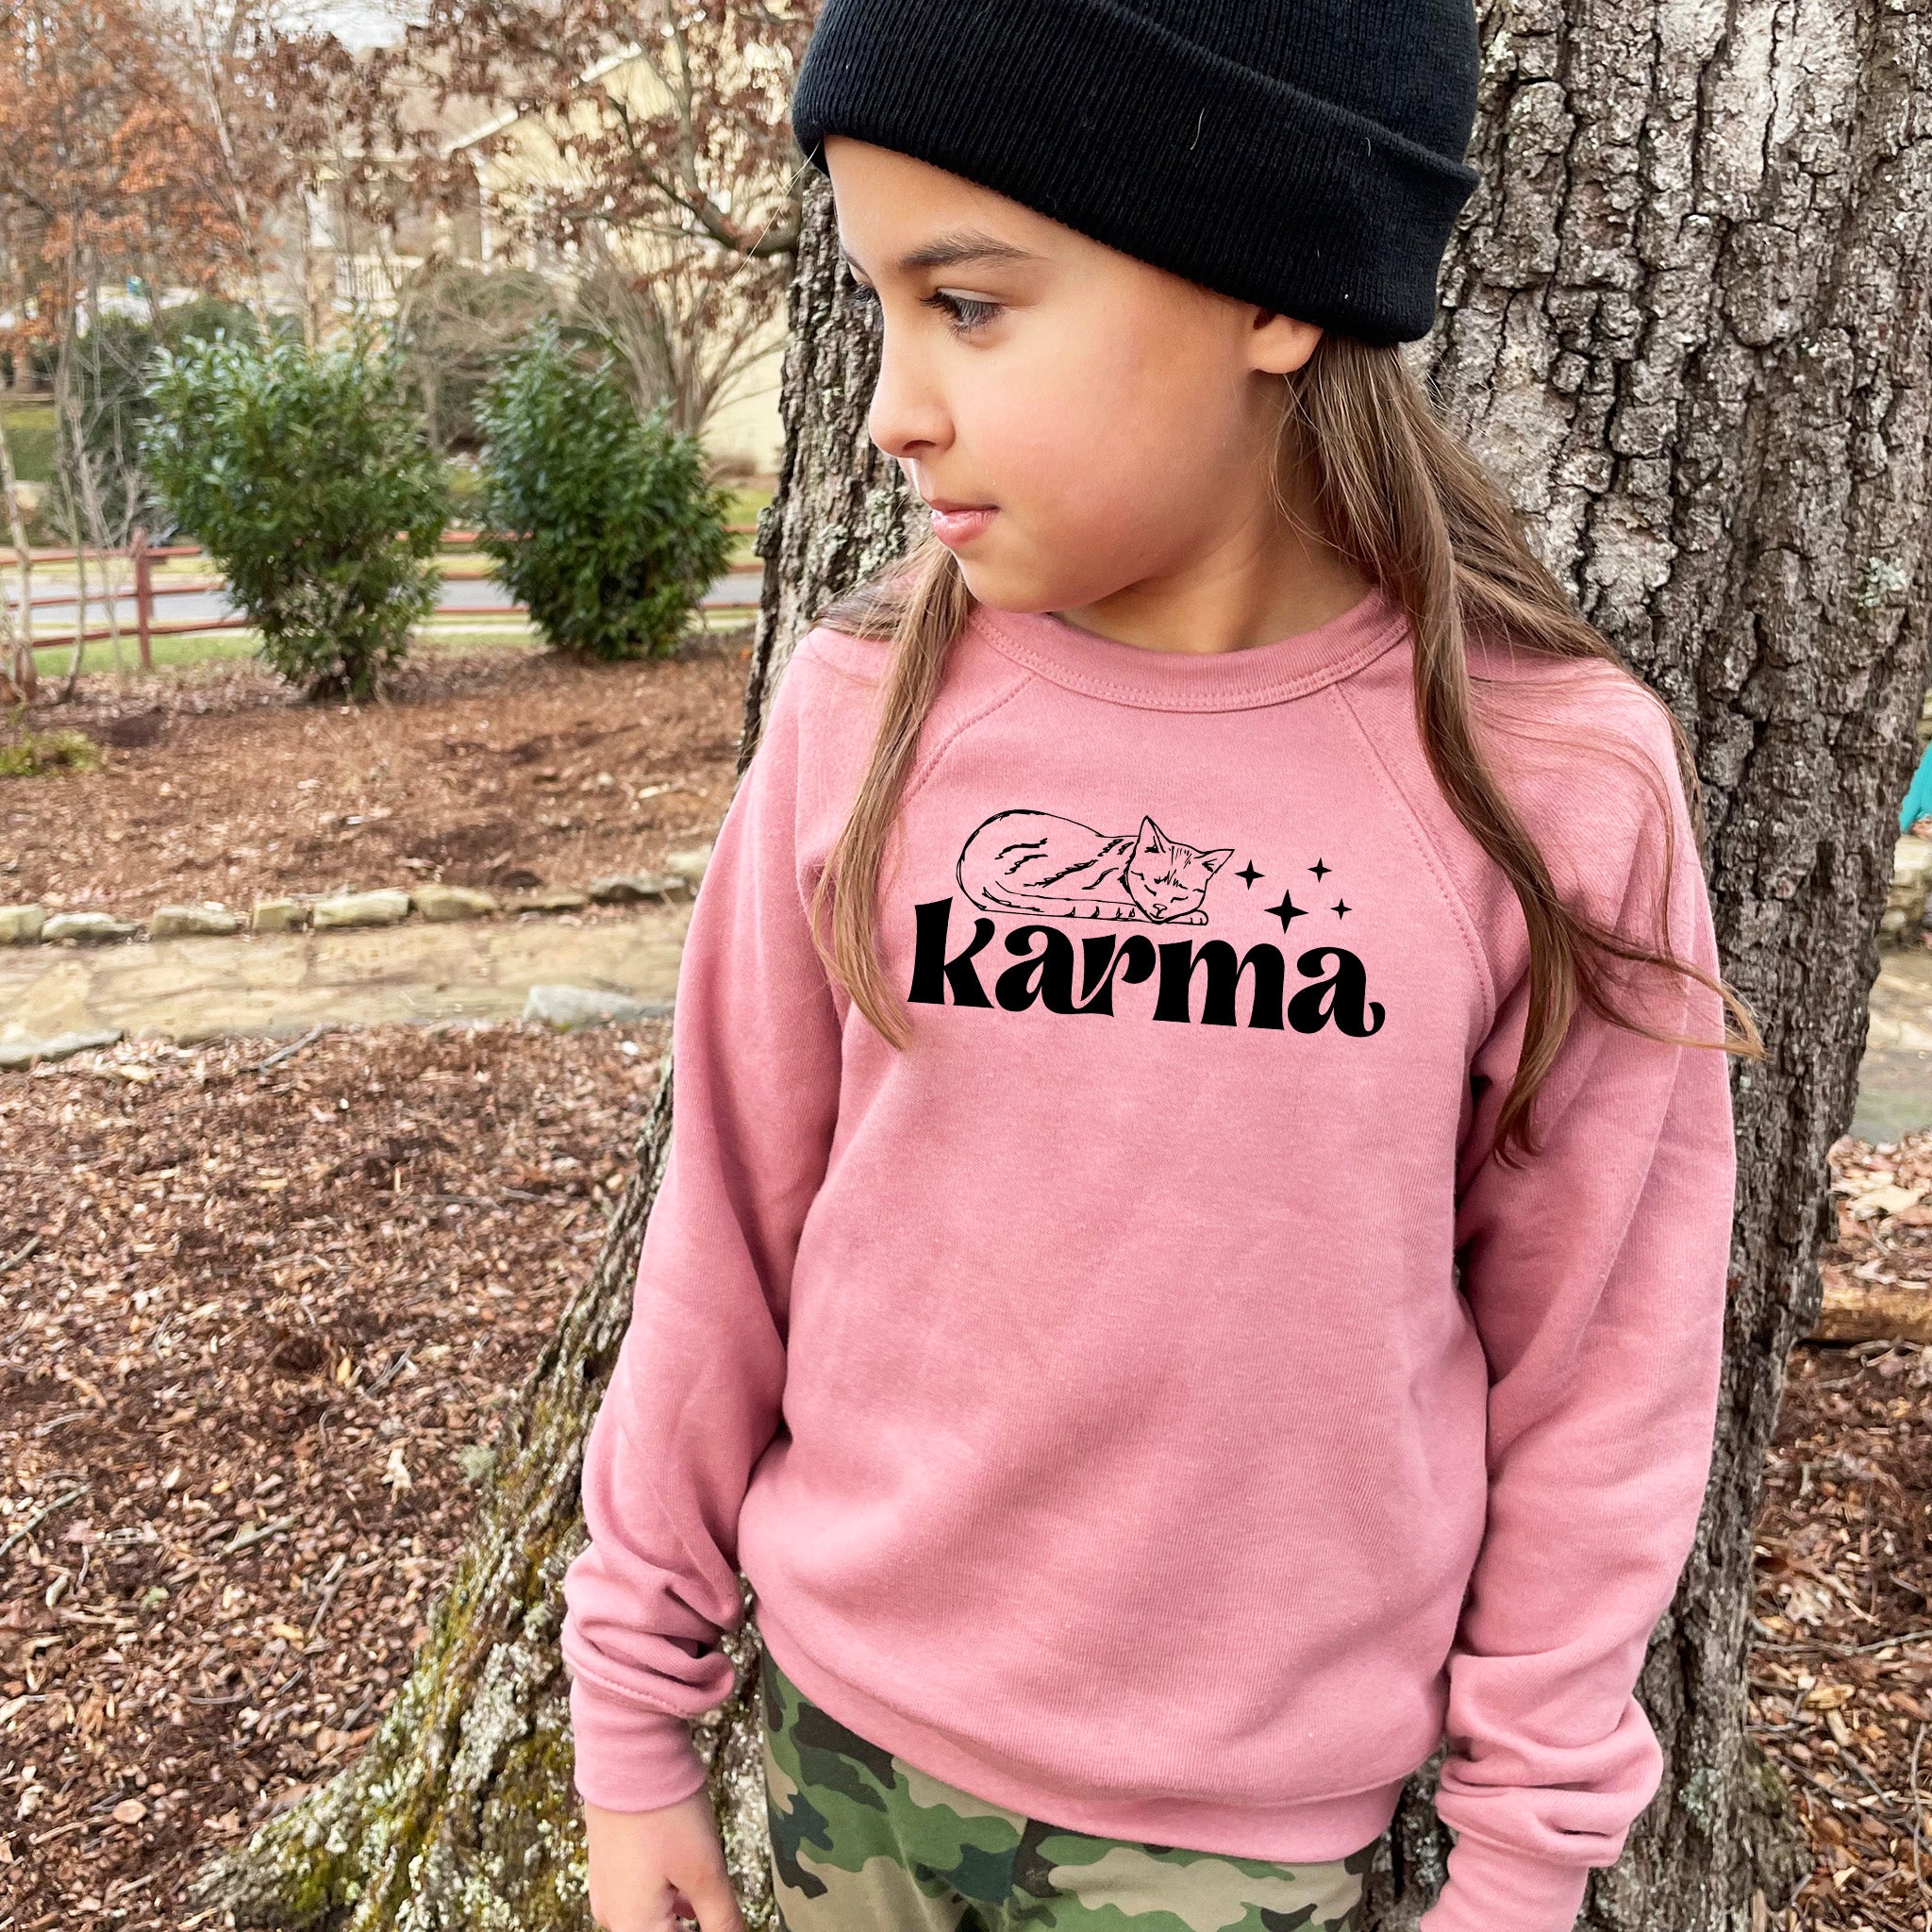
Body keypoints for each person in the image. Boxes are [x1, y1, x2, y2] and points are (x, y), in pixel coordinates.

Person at [559, 4, 1766, 1929]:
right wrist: (632, 1722)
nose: (888, 405)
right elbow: (722, 1241)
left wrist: (1527, 1859)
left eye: (968, 302)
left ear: (1271, 287)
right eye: (880, 304)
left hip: (1236, 1844)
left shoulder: (1546, 782)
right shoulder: (861, 715)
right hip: (835, 1757)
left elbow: (1601, 1371)